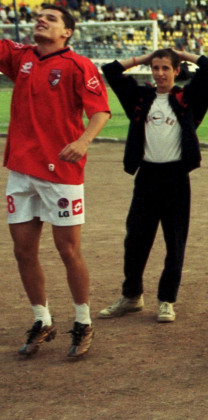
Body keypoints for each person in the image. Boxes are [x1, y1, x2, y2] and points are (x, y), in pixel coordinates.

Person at [2, 5, 110, 358]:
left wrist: (83, 141)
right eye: (39, 17)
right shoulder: (22, 58)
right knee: (23, 250)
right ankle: (42, 319)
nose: (41, 20)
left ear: (67, 32)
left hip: (61, 172)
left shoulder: (79, 65)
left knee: (68, 250)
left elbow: (100, 111)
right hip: (21, 170)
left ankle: (82, 320)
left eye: (51, 18)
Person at [98, 49, 208, 323]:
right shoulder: (140, 97)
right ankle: (131, 296)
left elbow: (207, 66)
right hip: (147, 177)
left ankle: (166, 300)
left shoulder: (188, 98)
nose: (160, 73)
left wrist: (181, 54)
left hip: (176, 177)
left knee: (174, 241)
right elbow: (110, 70)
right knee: (136, 239)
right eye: (155, 67)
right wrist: (143, 58)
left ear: (177, 70)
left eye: (166, 68)